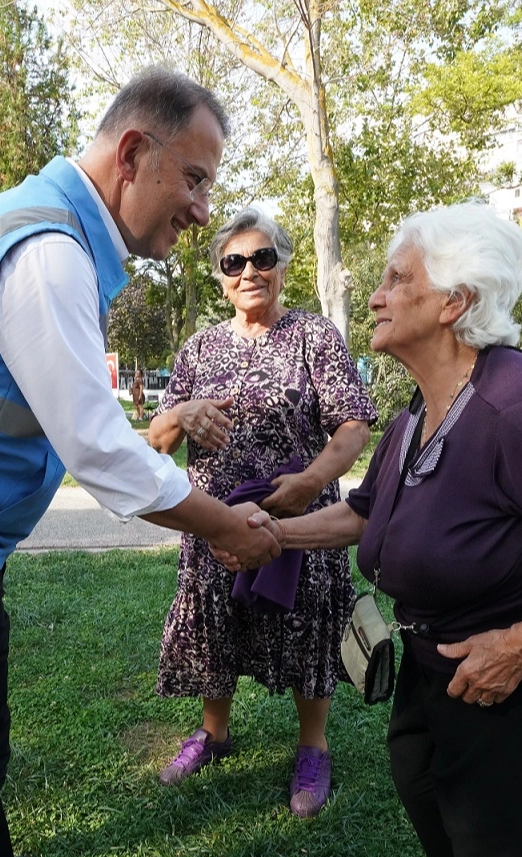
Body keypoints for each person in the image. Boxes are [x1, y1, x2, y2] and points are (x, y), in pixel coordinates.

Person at [0, 69, 280, 857]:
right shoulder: (48, 249)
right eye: (196, 178)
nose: (204, 208)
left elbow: (73, 426)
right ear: (133, 152)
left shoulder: (46, 229)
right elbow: (98, 447)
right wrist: (221, 528)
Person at [220, 202, 522, 857]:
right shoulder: (420, 406)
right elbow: (365, 511)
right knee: (430, 803)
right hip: (435, 659)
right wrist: (270, 533)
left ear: (453, 302)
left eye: (396, 281)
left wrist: (521, 645)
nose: (378, 297)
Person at [147, 209, 376, 817]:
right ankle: (214, 733)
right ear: (221, 276)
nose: (249, 271)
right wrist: (182, 412)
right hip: (214, 519)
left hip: (298, 517)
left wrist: (309, 482)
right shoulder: (198, 348)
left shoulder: (314, 335)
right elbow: (157, 441)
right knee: (214, 626)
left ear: (282, 266)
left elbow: (353, 426)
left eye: (262, 258)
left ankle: (313, 747)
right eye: (234, 262)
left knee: (306, 628)